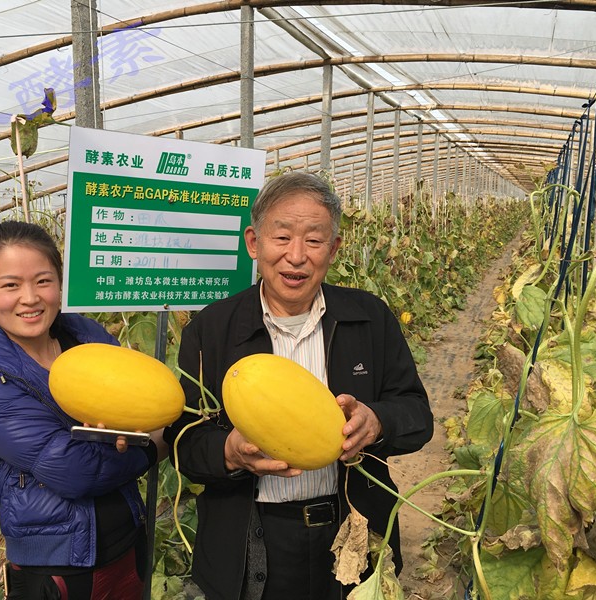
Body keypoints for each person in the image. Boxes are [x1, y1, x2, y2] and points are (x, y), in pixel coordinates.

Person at [164, 172, 434, 600]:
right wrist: (228, 452)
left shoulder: (370, 318)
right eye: (282, 237)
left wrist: (378, 421)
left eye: (313, 240)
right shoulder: (211, 331)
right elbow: (184, 441)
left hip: (352, 528)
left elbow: (417, 414)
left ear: (334, 249)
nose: (296, 257)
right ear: (254, 243)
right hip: (252, 542)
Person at [0, 220, 162, 600]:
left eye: (44, 281)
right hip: (56, 566)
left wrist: (137, 430)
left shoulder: (83, 334)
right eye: (11, 285)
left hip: (126, 541)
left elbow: (140, 397)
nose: (31, 297)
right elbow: (75, 471)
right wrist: (152, 446)